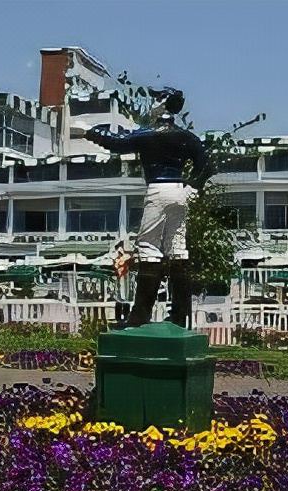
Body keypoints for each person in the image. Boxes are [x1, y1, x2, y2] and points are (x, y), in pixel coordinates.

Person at [85, 87, 208, 327]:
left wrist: (91, 132)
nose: (151, 103)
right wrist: (195, 187)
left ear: (162, 102)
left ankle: (139, 317)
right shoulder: (186, 136)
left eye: (155, 98)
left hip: (158, 189)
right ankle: (180, 317)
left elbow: (117, 143)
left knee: (148, 245)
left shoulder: (148, 134)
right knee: (178, 248)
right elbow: (206, 164)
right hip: (180, 191)